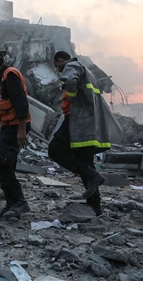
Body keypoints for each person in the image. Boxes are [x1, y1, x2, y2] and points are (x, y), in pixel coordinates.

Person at [48, 52, 111, 216]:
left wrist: (72, 97)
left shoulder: (71, 65)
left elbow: (69, 81)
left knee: (54, 149)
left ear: (60, 61)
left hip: (76, 120)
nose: (58, 70)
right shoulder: (88, 72)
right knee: (85, 161)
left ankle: (91, 175)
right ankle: (95, 207)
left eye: (57, 66)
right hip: (87, 124)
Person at [0, 47, 31, 219]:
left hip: (16, 127)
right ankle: (12, 204)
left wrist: (21, 130)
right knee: (4, 164)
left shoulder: (10, 75)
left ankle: (19, 203)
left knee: (1, 163)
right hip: (9, 126)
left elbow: (21, 103)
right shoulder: (3, 78)